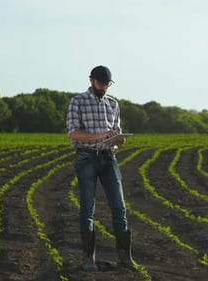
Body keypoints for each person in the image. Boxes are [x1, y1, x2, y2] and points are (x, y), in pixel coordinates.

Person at [66, 65, 136, 271]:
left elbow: (116, 134)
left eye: (107, 84)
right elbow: (73, 134)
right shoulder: (77, 102)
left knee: (119, 208)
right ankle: (88, 259)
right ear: (91, 80)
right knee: (87, 208)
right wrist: (100, 135)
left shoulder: (113, 104)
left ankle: (125, 258)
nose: (104, 88)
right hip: (86, 158)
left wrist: (118, 140)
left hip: (109, 158)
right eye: (101, 83)